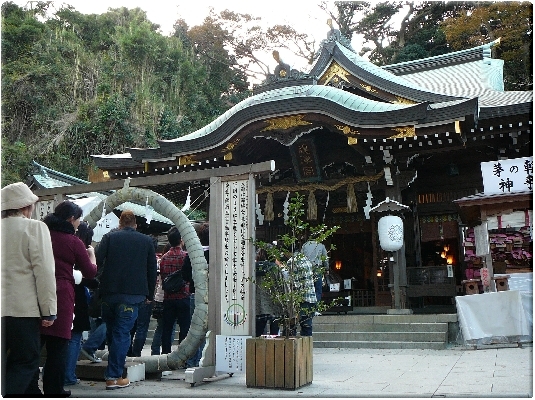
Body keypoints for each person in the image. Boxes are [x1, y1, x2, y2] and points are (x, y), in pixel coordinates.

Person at [29, 200, 98, 397]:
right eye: (78, 220)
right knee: (58, 348)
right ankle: (54, 389)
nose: (78, 224)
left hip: (35, 291)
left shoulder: (41, 234)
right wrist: (91, 254)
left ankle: (31, 387)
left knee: (34, 346)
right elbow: (90, 272)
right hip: (62, 295)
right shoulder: (73, 242)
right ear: (70, 219)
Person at [1, 182, 57, 396]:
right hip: (22, 310)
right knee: (25, 361)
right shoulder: (34, 228)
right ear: (26, 206)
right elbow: (43, 271)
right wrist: (49, 309)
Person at [95, 210, 157, 390]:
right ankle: (114, 376)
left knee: (112, 332)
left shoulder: (109, 238)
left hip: (109, 294)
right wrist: (149, 295)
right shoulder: (146, 241)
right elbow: (151, 270)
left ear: (120, 224)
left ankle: (113, 371)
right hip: (133, 296)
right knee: (122, 334)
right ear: (135, 224)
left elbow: (97, 263)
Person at [64, 221, 100, 386]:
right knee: (74, 337)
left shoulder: (64, 244)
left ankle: (59, 373)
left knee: (62, 338)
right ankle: (68, 375)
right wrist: (92, 254)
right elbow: (91, 275)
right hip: (77, 298)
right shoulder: (82, 249)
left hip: (61, 296)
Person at [159, 226, 191, 355]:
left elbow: (163, 276)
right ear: (181, 239)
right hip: (183, 296)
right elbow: (188, 276)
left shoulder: (164, 258)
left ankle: (166, 353)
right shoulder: (186, 256)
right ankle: (181, 355)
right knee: (184, 328)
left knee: (167, 328)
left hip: (168, 297)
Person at [127, 236, 158, 357]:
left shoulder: (135, 257)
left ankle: (128, 351)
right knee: (142, 326)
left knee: (131, 325)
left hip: (133, 294)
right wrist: (150, 295)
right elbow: (153, 276)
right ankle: (136, 352)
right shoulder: (152, 259)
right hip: (145, 294)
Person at [277, 252, 317, 337]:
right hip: (311, 297)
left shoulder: (292, 262)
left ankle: (291, 349)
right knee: (307, 326)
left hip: (300, 299)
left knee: (291, 326)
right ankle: (307, 348)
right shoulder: (305, 259)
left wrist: (281, 268)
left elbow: (293, 283)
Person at [255, 247, 281, 337]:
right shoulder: (274, 268)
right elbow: (280, 284)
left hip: (258, 303)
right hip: (273, 302)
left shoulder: (253, 268)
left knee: (258, 332)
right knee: (274, 332)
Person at [301, 237, 329, 303]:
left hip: (306, 268)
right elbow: (325, 258)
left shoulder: (305, 245)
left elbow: (301, 257)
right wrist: (327, 268)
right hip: (317, 268)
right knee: (318, 288)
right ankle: (316, 308)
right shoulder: (321, 245)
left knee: (307, 288)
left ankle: (307, 307)